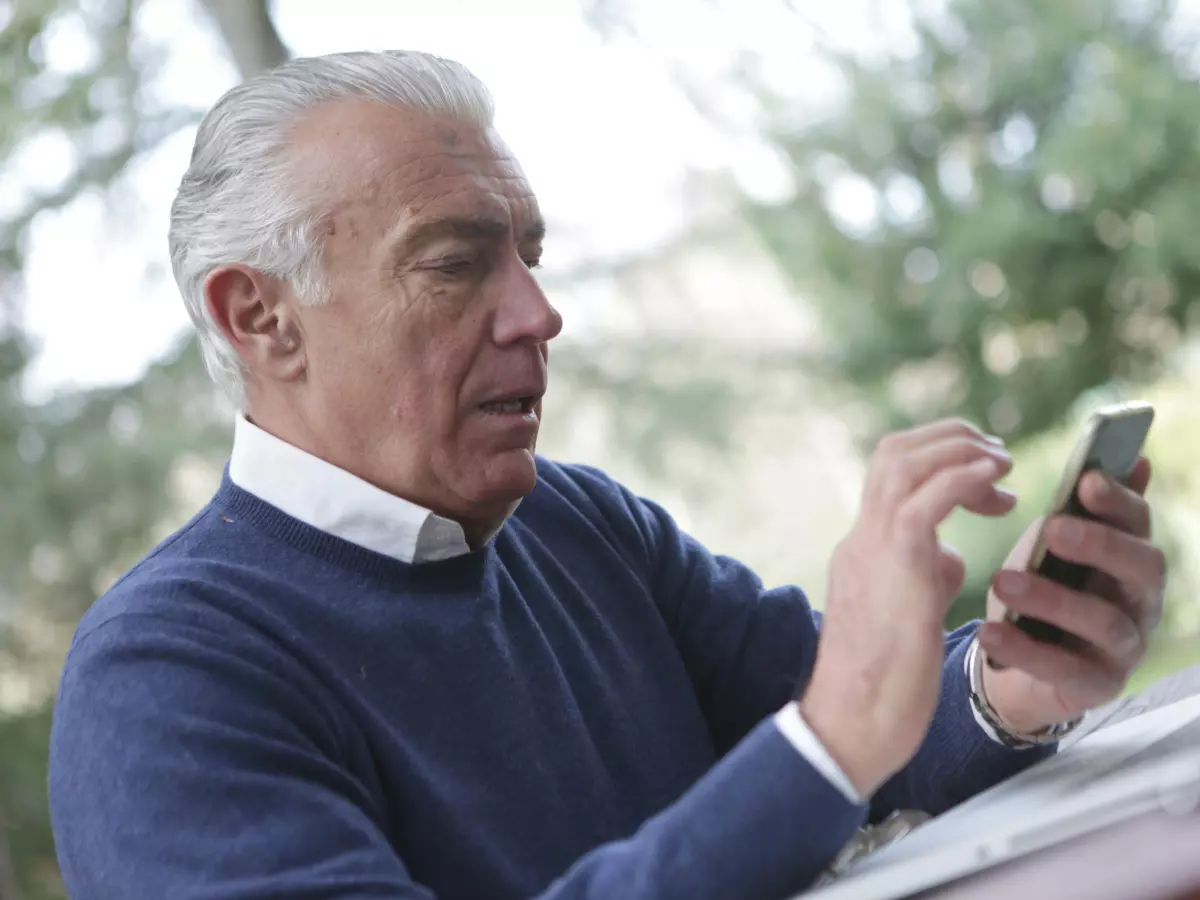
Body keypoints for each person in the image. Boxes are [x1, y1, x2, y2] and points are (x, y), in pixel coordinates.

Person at [47, 51, 1167, 900]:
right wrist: (833, 738)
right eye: (453, 265)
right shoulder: (162, 681)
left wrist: (1011, 680)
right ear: (261, 319)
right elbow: (827, 743)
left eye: (529, 257)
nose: (539, 316)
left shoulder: (578, 521)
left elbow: (856, 727)